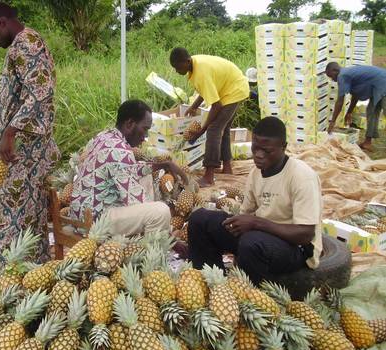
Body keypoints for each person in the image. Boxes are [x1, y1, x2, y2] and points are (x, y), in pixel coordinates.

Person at [187, 117, 322, 285]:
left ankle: (250, 296)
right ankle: (210, 284)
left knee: (251, 243)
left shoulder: (301, 176)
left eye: (266, 151)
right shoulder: (255, 174)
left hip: (295, 248)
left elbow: (305, 234)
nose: (258, 155)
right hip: (260, 236)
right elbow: (246, 216)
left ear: (283, 147)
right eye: (255, 148)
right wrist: (233, 224)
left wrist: (257, 223)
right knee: (200, 219)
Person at [0, 2, 59, 262]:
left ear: (1, 22)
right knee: (28, 213)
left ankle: (13, 274)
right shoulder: (23, 44)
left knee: (16, 214)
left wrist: (10, 133)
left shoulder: (27, 43)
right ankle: (32, 269)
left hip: (22, 152)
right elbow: (24, 93)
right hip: (21, 148)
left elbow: (41, 93)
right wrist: (1, 122)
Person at [69, 100, 188, 237]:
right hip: (95, 223)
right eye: (145, 129)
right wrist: (167, 226)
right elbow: (137, 201)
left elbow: (129, 169)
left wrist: (164, 165)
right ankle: (150, 246)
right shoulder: (121, 152)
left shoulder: (105, 136)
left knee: (146, 175)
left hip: (81, 214)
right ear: (129, 124)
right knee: (160, 212)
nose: (146, 137)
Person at [169, 47, 250, 186]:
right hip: (232, 86)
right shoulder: (194, 65)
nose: (177, 71)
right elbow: (206, 89)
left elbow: (216, 105)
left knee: (214, 129)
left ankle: (209, 176)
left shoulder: (201, 72)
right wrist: (194, 106)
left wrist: (202, 130)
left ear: (187, 61)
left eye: (177, 67)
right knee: (222, 128)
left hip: (234, 90)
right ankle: (227, 168)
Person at [325, 62, 386, 151]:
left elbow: (340, 101)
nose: (332, 80)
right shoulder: (347, 75)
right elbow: (355, 96)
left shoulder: (342, 76)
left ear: (335, 70)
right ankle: (367, 143)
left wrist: (333, 121)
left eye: (331, 76)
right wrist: (349, 112)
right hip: (377, 85)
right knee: (371, 112)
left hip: (383, 82)